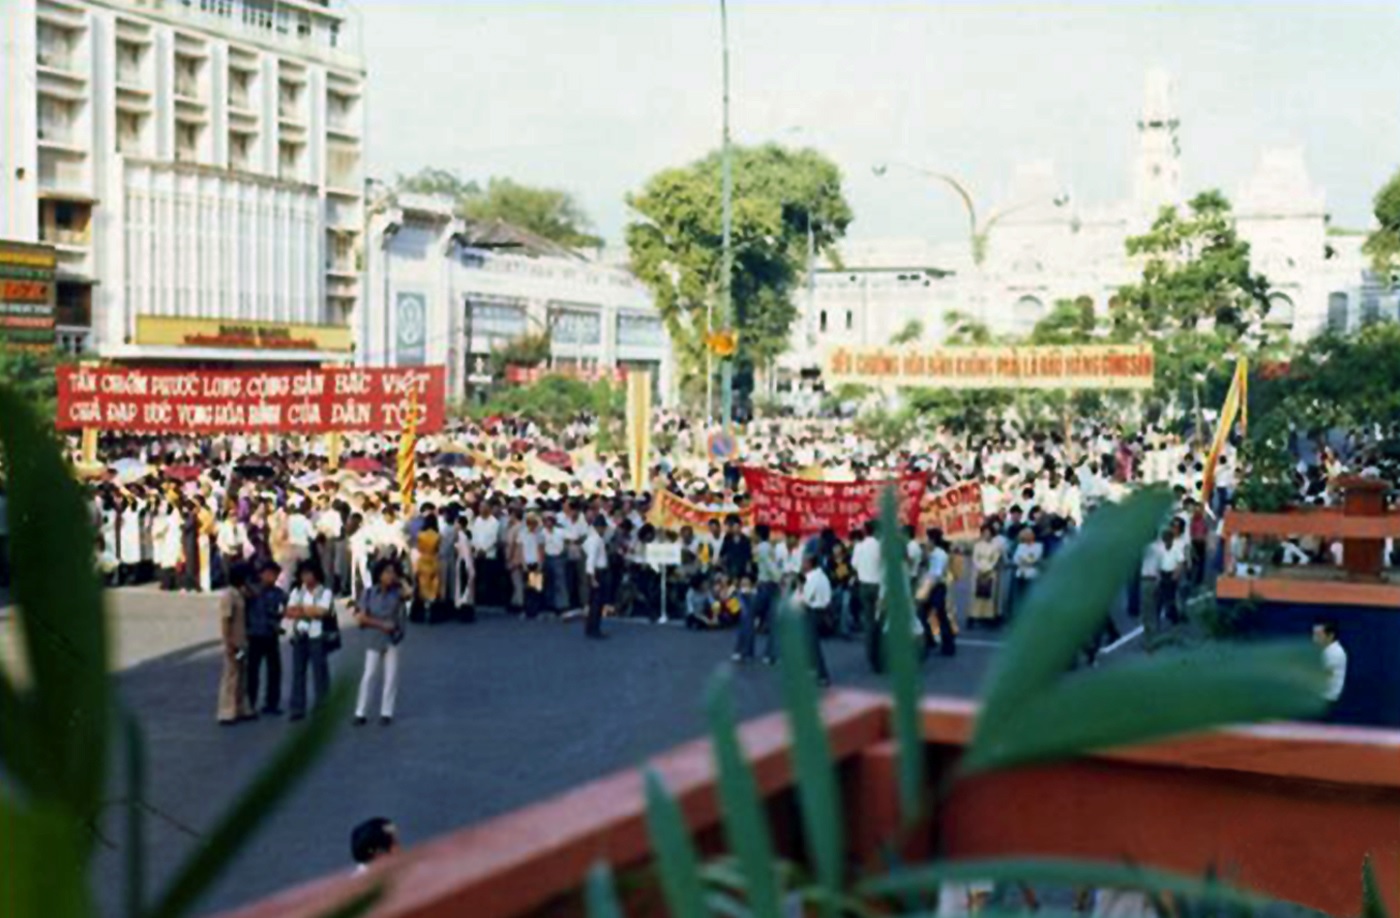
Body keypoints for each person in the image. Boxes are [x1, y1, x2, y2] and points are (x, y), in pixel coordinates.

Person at [354, 560, 407, 726]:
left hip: (392, 638)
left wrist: (401, 579)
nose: (390, 576)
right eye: (386, 572)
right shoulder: (369, 593)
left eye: (392, 572)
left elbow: (411, 592)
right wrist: (381, 624)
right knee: (369, 675)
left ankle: (386, 712)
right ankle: (360, 711)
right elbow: (361, 618)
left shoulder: (397, 593)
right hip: (375, 637)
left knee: (391, 676)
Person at [286, 560, 334, 721]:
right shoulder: (297, 591)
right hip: (300, 635)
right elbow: (289, 612)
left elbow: (322, 612)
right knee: (298, 673)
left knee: (320, 672)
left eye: (309, 573)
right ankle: (297, 707)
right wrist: (309, 611)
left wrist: (301, 610)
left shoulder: (325, 592)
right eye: (303, 574)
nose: (306, 577)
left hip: (317, 636)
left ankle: (323, 706)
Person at [245, 561, 286, 717]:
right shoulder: (252, 591)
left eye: (274, 575)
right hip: (254, 635)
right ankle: (250, 703)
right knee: (252, 671)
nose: (272, 578)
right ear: (261, 574)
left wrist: (278, 621)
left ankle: (272, 703)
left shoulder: (278, 593)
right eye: (269, 574)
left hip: (270, 635)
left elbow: (287, 608)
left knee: (274, 670)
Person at [217, 563, 255, 725]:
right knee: (231, 675)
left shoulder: (240, 594)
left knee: (242, 674)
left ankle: (241, 707)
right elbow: (226, 620)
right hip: (234, 642)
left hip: (242, 642)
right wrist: (228, 643)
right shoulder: (229, 596)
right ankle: (226, 711)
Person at [794, 552, 833, 686]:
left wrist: (799, 589)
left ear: (810, 564)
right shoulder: (820, 576)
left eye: (804, 562)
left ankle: (822, 675)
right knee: (809, 643)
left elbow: (805, 599)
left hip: (813, 612)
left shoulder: (812, 578)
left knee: (812, 645)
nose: (802, 564)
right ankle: (813, 671)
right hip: (821, 611)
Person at [918, 529, 955, 657]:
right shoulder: (928, 553)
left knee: (939, 615)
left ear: (933, 540)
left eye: (927, 539)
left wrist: (926, 591)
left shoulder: (940, 555)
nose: (926, 542)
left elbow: (937, 575)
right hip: (928, 585)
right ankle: (929, 640)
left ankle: (948, 645)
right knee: (923, 614)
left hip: (937, 587)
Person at [583, 514, 611, 639]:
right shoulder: (596, 540)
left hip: (595, 572)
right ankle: (594, 629)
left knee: (593, 602)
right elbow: (591, 560)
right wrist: (593, 578)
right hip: (598, 572)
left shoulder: (591, 538)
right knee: (597, 603)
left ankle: (590, 627)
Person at [969, 523, 1003, 626]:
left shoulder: (995, 546)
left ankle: (989, 616)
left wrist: (989, 568)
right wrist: (980, 568)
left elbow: (995, 559)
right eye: (985, 533)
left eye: (989, 533)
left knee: (989, 595)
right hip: (978, 571)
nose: (986, 535)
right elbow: (975, 558)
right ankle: (974, 615)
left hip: (990, 572)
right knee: (976, 594)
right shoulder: (977, 545)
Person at [851, 521, 882, 633]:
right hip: (878, 586)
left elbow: (854, 564)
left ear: (865, 531)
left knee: (868, 619)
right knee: (879, 617)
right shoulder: (880, 546)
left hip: (864, 585)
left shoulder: (859, 546)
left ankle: (870, 648)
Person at [1314, 619, 1347, 712]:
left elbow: (1324, 675)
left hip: (1327, 701)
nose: (1315, 638)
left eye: (1319, 635)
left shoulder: (1335, 652)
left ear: (1330, 636)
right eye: (1314, 635)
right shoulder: (1324, 651)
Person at [1010, 527, 1044, 615]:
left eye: (1029, 535)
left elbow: (1034, 559)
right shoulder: (1020, 546)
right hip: (1021, 574)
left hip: (1032, 574)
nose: (1027, 537)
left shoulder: (1038, 546)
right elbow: (1015, 559)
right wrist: (1024, 560)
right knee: (1020, 596)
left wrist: (1023, 560)